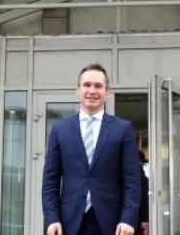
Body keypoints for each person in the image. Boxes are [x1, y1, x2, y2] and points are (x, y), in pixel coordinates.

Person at [42, 64, 141, 235]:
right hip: (69, 223)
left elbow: (132, 181)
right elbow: (50, 182)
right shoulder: (60, 130)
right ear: (77, 90)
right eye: (87, 85)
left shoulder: (123, 129)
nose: (92, 90)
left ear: (107, 92)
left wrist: (128, 219)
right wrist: (52, 219)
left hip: (113, 223)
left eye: (98, 86)